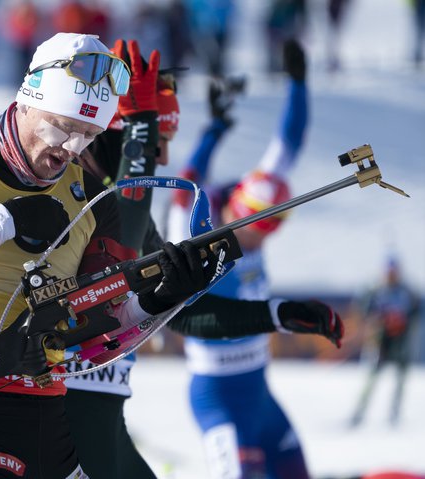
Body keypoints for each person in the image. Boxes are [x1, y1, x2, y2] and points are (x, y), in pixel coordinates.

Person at [0, 32, 223, 479]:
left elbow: (98, 338)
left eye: (89, 135)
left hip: (51, 425)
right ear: (27, 100)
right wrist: (4, 221)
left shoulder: (93, 199)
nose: (72, 149)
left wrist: (162, 300)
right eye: (63, 127)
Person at [65, 39, 343, 479]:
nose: (164, 157)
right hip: (62, 411)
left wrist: (279, 314)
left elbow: (182, 315)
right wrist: (154, 127)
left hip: (108, 404)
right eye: (159, 143)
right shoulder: (96, 202)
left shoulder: (134, 213)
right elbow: (154, 195)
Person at [166, 38, 317, 478]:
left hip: (260, 394)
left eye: (263, 235)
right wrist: (212, 134)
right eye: (250, 230)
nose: (255, 241)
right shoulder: (200, 231)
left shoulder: (260, 205)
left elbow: (289, 142)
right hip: (219, 398)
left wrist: (299, 84)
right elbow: (184, 189)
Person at [349, 256, 421, 428]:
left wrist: (403, 321)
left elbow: (417, 312)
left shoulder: (406, 292)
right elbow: (363, 308)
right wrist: (379, 318)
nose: (391, 275)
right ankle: (359, 414)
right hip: (381, 342)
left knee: (400, 380)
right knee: (372, 379)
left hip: (400, 342)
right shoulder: (377, 291)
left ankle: (394, 414)